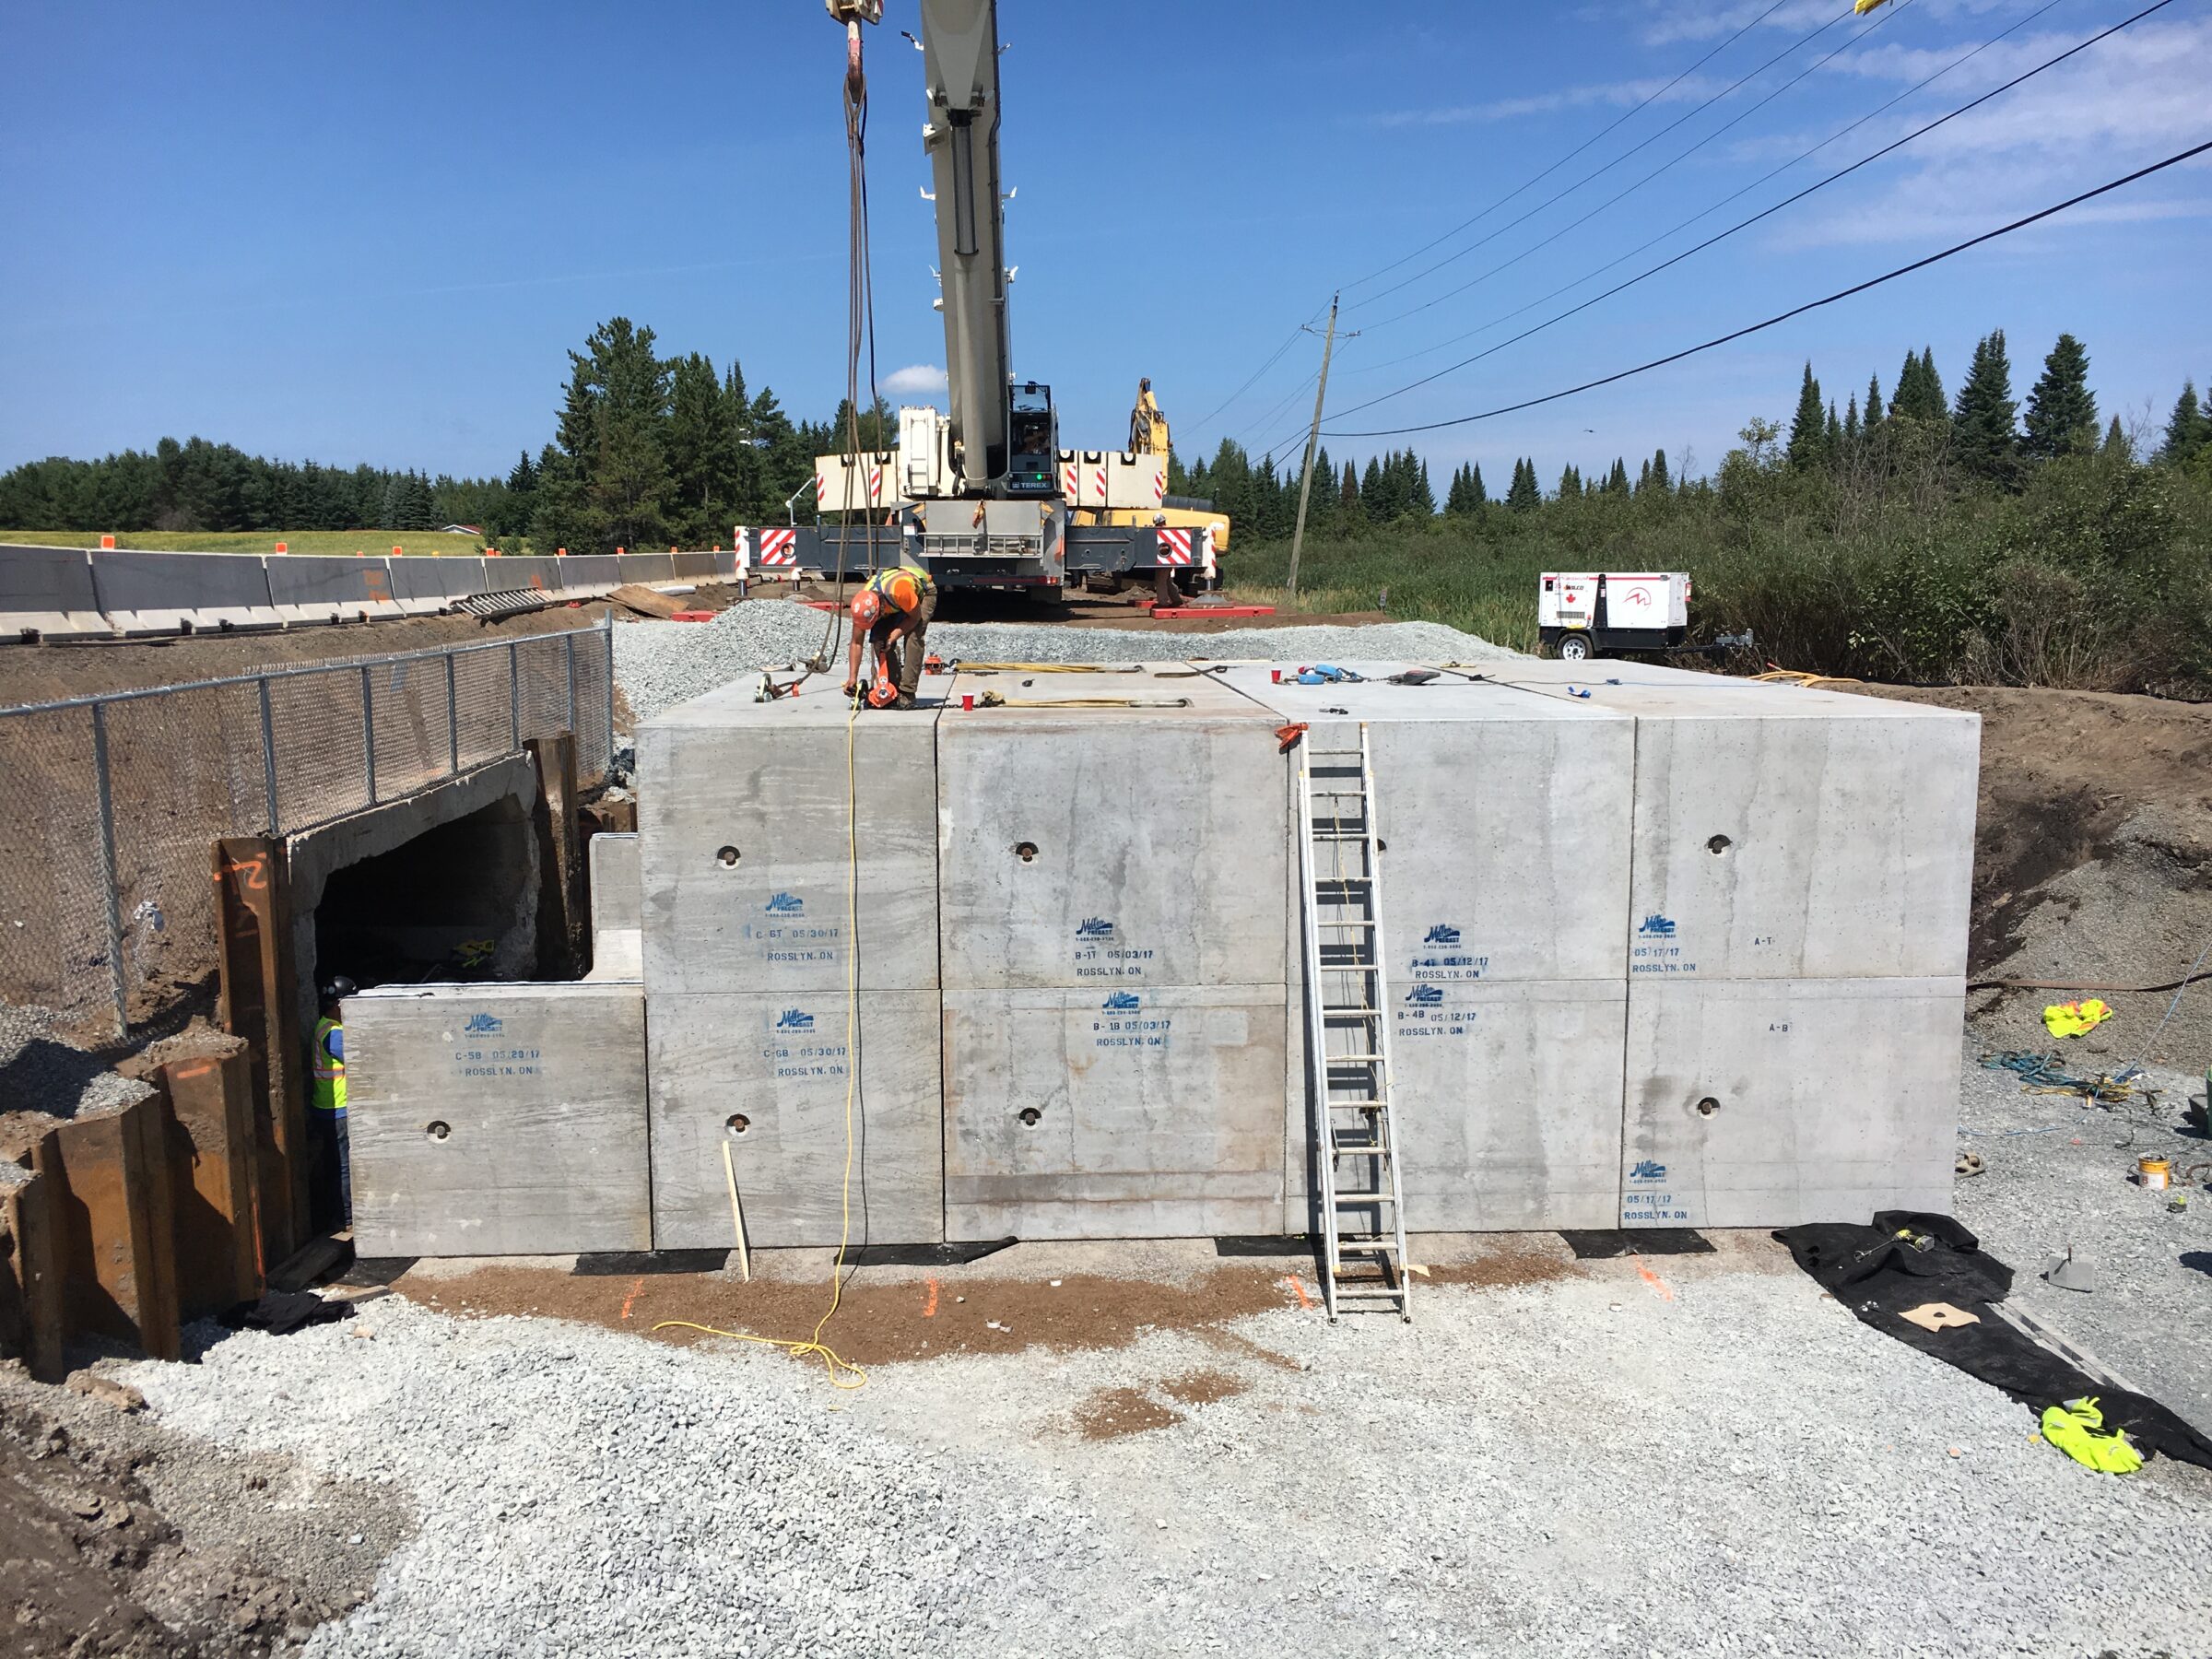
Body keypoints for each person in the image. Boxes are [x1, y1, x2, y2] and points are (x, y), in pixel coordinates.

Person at [842, 564, 936, 710]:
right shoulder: (863, 606)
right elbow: (856, 643)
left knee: (913, 637)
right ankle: (892, 688)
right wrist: (852, 678)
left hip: (922, 593)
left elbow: (915, 618)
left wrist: (893, 636)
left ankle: (907, 692)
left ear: (880, 609)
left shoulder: (899, 591)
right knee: (879, 640)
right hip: (894, 602)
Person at [311, 976, 356, 1225]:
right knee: (344, 1167)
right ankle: (346, 1217)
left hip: (326, 1108)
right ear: (338, 1004)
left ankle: (338, 1214)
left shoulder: (323, 1026)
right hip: (337, 1109)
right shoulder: (334, 1034)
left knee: (334, 1165)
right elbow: (358, 1057)